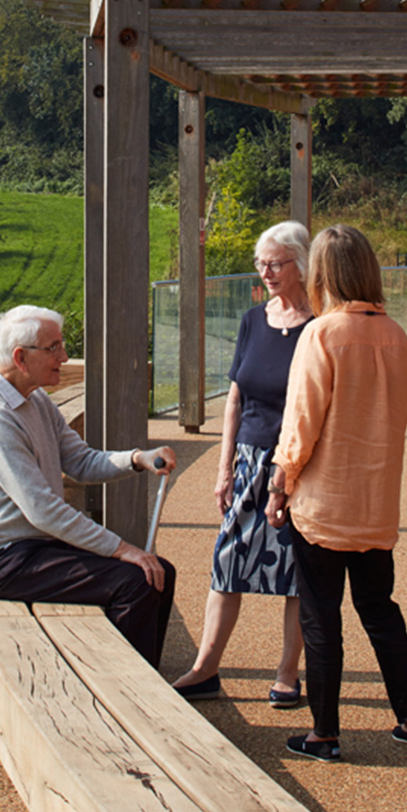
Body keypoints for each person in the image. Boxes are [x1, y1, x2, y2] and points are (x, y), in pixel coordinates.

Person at [264, 225, 407, 760]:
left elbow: (300, 425)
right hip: (376, 503)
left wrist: (279, 486)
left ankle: (325, 732)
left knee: (321, 618)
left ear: (321, 274)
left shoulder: (323, 334)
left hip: (322, 505)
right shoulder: (397, 337)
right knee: (381, 611)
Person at [0, 304, 178, 669]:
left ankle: (147, 684)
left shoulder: (34, 398)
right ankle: (126, 693)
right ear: (20, 357)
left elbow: (80, 462)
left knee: (159, 574)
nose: (65, 356)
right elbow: (42, 509)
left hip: (31, 547)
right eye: (54, 347)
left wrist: (137, 458)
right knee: (135, 582)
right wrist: (122, 549)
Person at [171, 221, 312, 706]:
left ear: (301, 263)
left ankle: (288, 673)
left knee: (297, 570)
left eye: (275, 262)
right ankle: (206, 668)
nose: (266, 271)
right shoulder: (253, 320)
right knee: (227, 560)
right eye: (261, 263)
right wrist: (224, 467)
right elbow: (234, 398)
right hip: (250, 459)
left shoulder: (319, 327)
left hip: (298, 464)